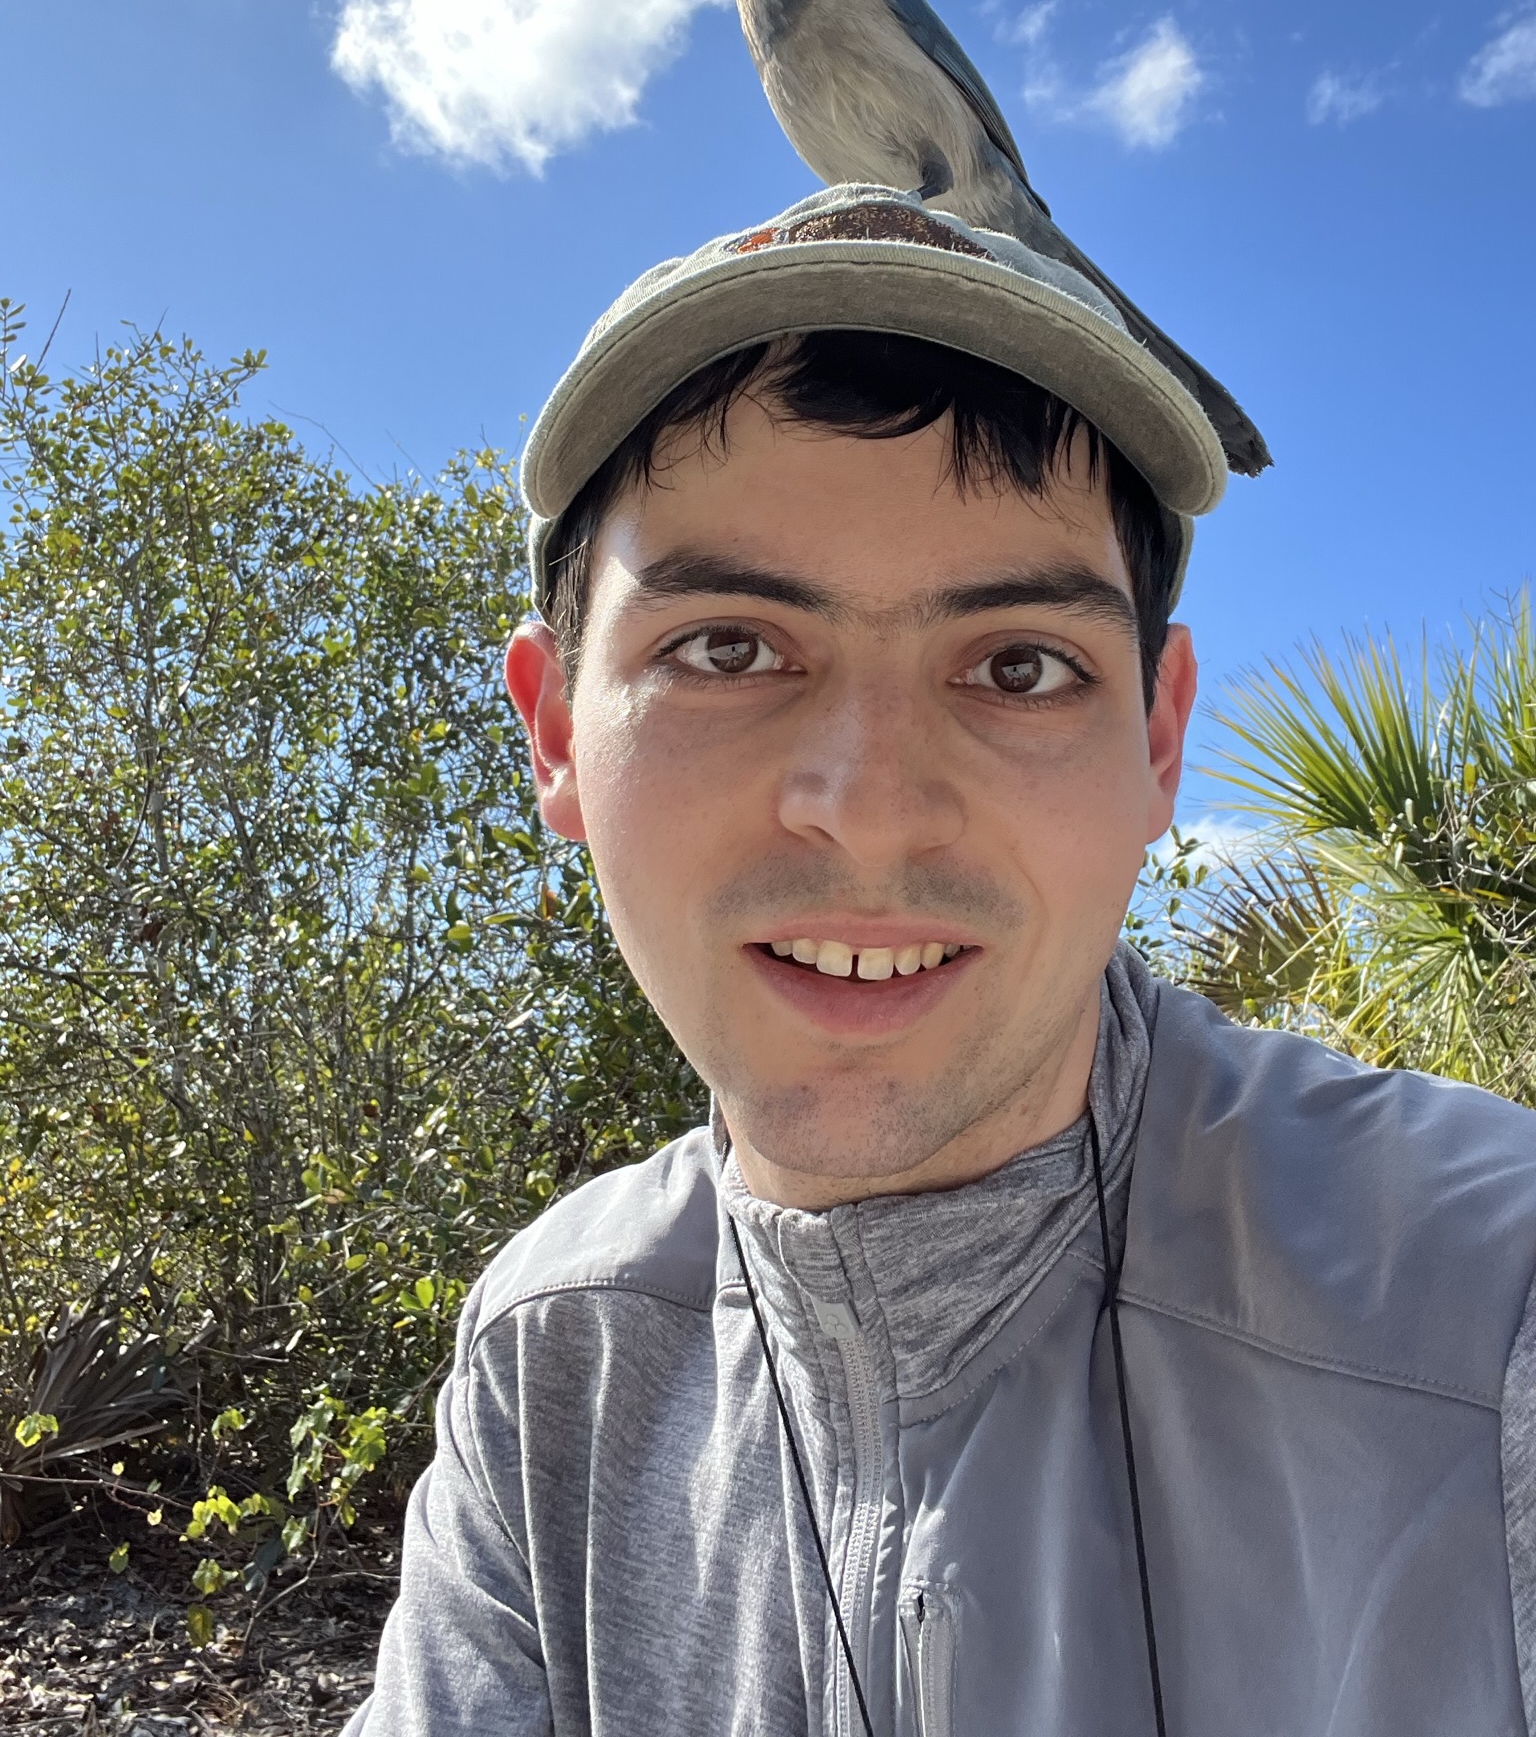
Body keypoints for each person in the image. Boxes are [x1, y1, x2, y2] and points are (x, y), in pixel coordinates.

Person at [346, 186, 1536, 1736]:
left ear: (1159, 740)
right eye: (728, 647)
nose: (872, 810)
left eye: (1020, 666)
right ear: (559, 731)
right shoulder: (553, 1352)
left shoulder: (1488, 1306)